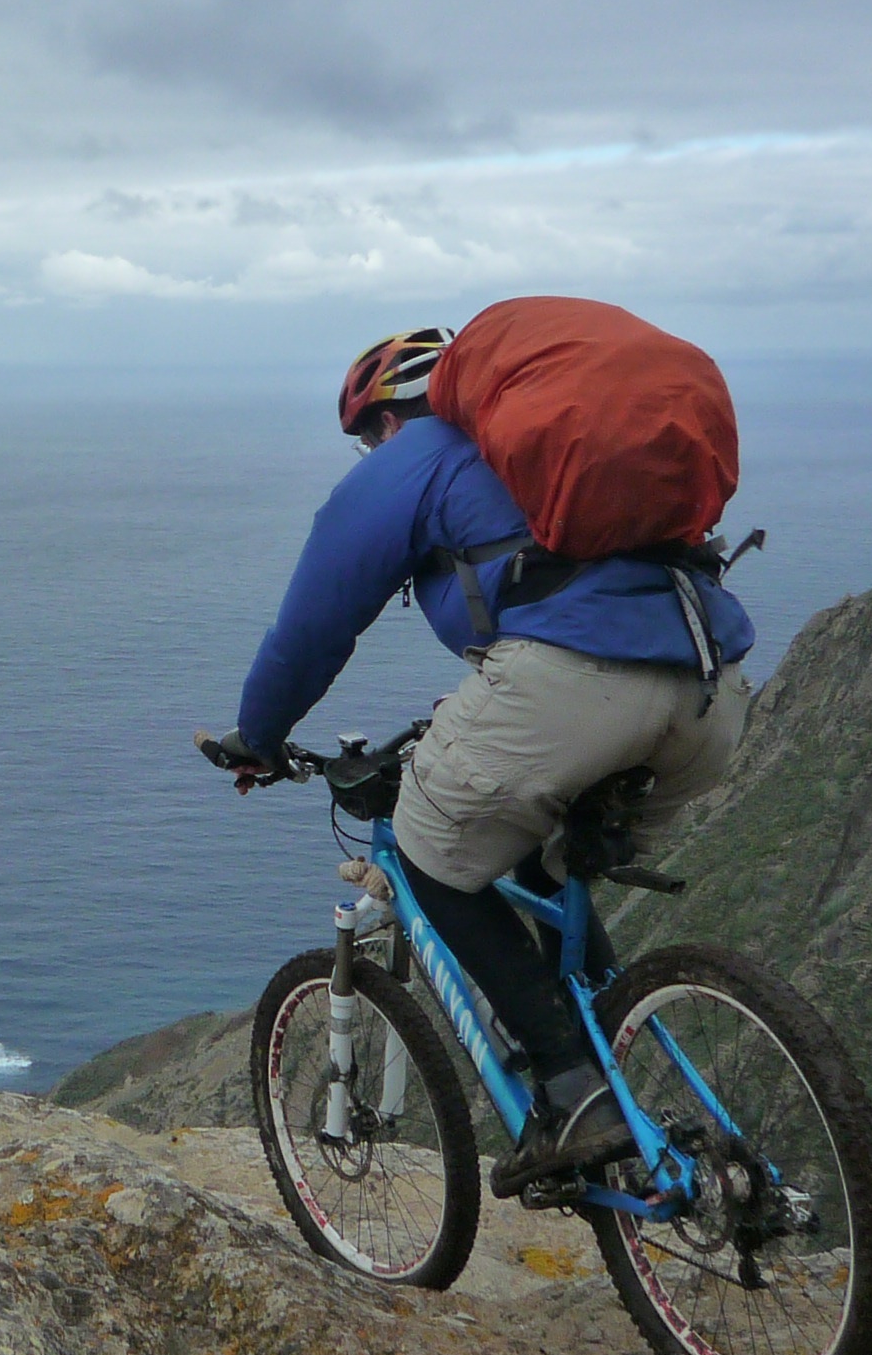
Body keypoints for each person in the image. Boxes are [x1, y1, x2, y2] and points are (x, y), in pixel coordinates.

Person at [215, 323, 754, 1196]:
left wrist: (259, 734)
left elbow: (313, 625)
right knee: (542, 859)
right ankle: (612, 1077)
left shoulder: (416, 456)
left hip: (575, 686)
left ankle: (573, 1090)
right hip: (711, 693)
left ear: (388, 419)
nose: (370, 450)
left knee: (429, 849)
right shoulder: (551, 461)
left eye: (367, 435)